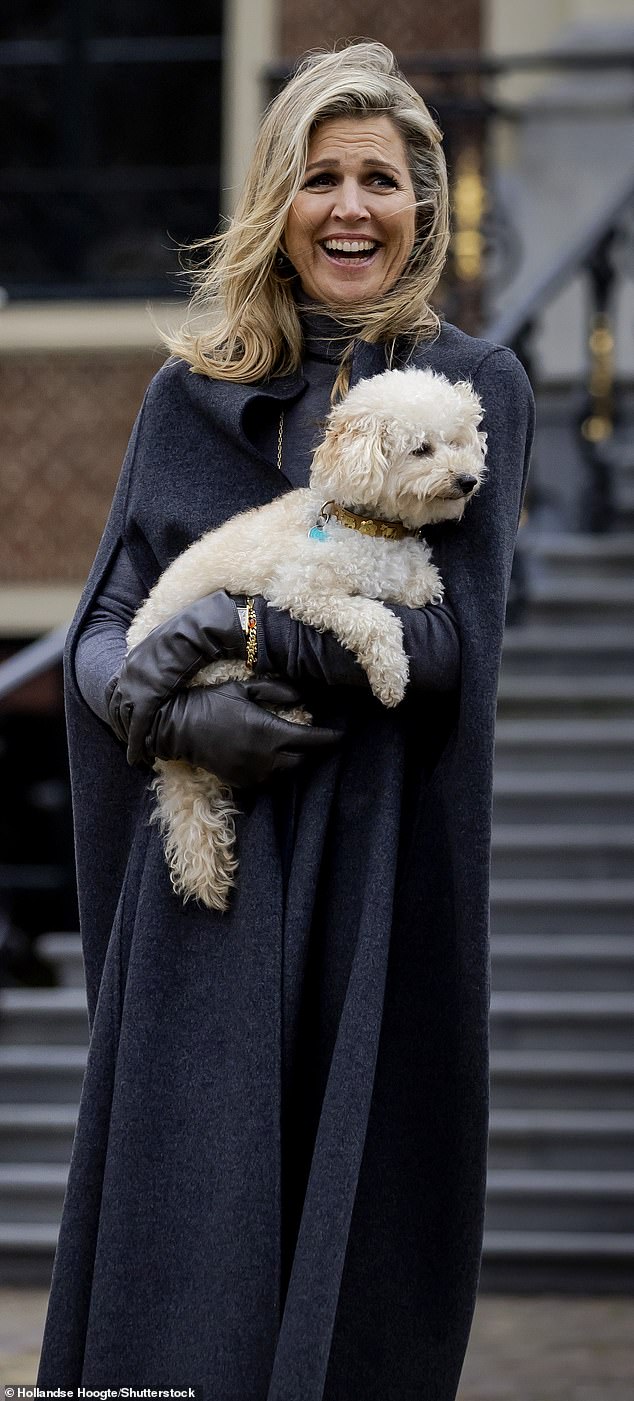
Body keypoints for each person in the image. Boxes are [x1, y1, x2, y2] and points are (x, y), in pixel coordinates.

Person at [37, 41, 534, 1400]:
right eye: (321, 176)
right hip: (206, 899)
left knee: (348, 1268)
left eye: (379, 177)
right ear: (279, 197)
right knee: (185, 1255)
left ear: (422, 208)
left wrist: (241, 635)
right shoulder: (182, 394)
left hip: (367, 879)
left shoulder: (470, 392)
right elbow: (103, 619)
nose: (351, 206)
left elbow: (446, 648)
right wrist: (151, 698)